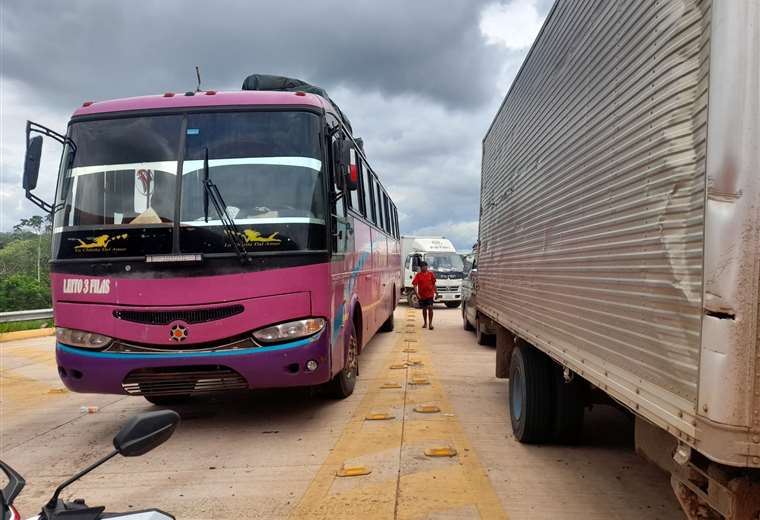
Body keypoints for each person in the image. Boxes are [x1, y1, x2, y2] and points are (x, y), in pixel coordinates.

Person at [412, 261, 437, 329]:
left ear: (427, 267)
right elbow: (414, 285)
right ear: (420, 268)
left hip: (430, 294)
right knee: (424, 309)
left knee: (430, 307)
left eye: (425, 266)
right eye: (422, 267)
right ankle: (425, 323)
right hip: (422, 295)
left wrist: (436, 292)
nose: (424, 268)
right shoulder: (418, 275)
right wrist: (417, 294)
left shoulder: (431, 274)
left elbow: (434, 284)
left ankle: (430, 324)